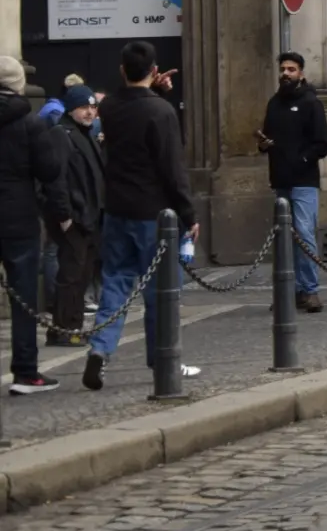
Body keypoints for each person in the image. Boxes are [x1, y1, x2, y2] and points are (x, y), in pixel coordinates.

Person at [84, 41, 199, 391]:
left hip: (117, 209)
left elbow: (131, 104)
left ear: (122, 71)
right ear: (153, 71)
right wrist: (188, 212)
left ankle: (99, 352)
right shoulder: (161, 112)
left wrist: (154, 91)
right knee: (159, 290)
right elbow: (172, 167)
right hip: (154, 213)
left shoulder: (112, 107)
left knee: (116, 283)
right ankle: (163, 359)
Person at [0, 55, 70, 393]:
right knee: (24, 297)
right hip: (18, 218)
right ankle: (26, 373)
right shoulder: (31, 124)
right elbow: (50, 172)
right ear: (19, 85)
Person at [256, 52, 327, 313]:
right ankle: (288, 291)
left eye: (291, 69)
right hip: (280, 180)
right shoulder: (274, 103)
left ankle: (309, 291)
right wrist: (264, 144)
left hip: (304, 181)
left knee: (304, 235)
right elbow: (266, 136)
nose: (285, 73)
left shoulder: (311, 103)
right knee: (283, 239)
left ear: (301, 73)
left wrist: (301, 159)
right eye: (283, 69)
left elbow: (323, 144)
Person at [47, 84, 104, 347]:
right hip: (74, 218)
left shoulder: (86, 134)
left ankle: (73, 326)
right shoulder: (62, 134)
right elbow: (55, 178)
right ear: (72, 109)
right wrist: (65, 216)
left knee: (81, 274)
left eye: (93, 107)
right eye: (84, 107)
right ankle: (64, 329)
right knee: (71, 274)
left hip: (88, 217)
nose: (90, 112)